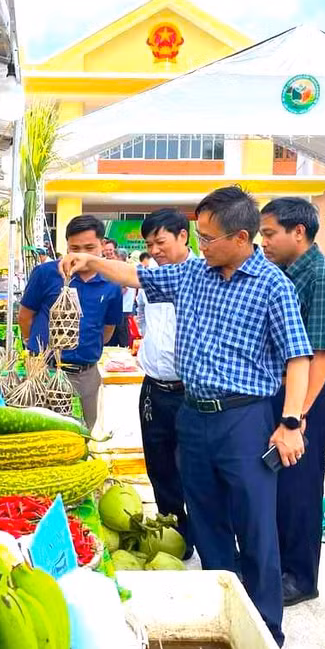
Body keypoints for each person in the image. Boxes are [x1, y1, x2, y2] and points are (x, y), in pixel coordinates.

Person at [60, 187, 313, 647]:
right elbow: (137, 277)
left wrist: (291, 421)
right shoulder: (194, 273)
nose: (200, 244)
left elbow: (299, 357)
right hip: (194, 418)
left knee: (255, 526)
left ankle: (265, 628)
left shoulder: (273, 285)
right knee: (205, 518)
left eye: (208, 237)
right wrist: (93, 263)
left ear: (240, 237)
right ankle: (220, 609)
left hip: (245, 420)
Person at [259, 198, 325, 607]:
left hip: (306, 397)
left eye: (270, 233)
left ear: (299, 232)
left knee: (299, 491)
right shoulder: (279, 273)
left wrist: (296, 416)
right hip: (280, 392)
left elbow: (322, 354)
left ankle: (301, 576)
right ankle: (277, 567)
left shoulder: (321, 277)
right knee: (276, 487)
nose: (264, 242)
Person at [20, 215, 123, 430]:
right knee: (41, 435)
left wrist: (85, 347)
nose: (81, 255)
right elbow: (25, 316)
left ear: (102, 245)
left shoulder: (112, 282)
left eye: (89, 248)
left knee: (83, 433)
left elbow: (108, 328)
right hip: (45, 372)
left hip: (86, 375)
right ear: (66, 246)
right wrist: (33, 347)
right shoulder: (46, 274)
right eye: (74, 248)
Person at [135, 209, 194, 558]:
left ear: (183, 236)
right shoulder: (150, 278)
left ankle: (205, 535)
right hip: (153, 388)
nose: (155, 250)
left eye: (161, 241)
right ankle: (175, 535)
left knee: (194, 468)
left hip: (189, 391)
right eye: (149, 244)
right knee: (159, 465)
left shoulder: (202, 276)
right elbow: (145, 319)